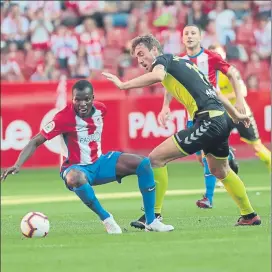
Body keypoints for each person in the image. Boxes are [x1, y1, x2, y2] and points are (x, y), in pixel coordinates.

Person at [102, 34, 262, 229]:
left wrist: (124, 85)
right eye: (136, 57)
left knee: (155, 159)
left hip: (208, 121)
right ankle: (249, 215)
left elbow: (159, 75)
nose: (140, 60)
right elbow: (215, 91)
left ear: (154, 50)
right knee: (220, 169)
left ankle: (154, 216)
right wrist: (236, 114)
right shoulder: (185, 64)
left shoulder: (163, 60)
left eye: (142, 54)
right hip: (220, 119)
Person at [0, 79, 174, 234]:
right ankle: (107, 219)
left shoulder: (101, 110)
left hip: (99, 162)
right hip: (75, 167)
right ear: (72, 99)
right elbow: (35, 141)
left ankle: (151, 221)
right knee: (75, 178)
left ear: (93, 98)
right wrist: (17, 164)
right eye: (77, 99)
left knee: (143, 164)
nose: (82, 103)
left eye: (86, 99)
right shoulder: (62, 118)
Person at [179, 25, 271, 208]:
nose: (218, 56)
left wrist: (227, 100)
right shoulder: (205, 71)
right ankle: (226, 155)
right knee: (202, 156)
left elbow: (242, 91)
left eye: (220, 53)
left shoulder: (228, 71)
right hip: (220, 114)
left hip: (238, 112)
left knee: (257, 147)